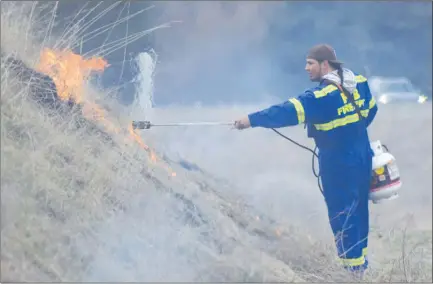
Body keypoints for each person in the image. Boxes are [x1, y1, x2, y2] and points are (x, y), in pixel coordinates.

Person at [234, 44, 378, 273]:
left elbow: (286, 111)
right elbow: (371, 111)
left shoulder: (320, 97)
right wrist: (351, 134)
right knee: (359, 212)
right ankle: (360, 266)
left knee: (343, 216)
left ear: (325, 64)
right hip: (362, 155)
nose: (306, 68)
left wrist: (250, 120)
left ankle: (352, 274)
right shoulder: (358, 82)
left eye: (310, 63)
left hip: (338, 161)